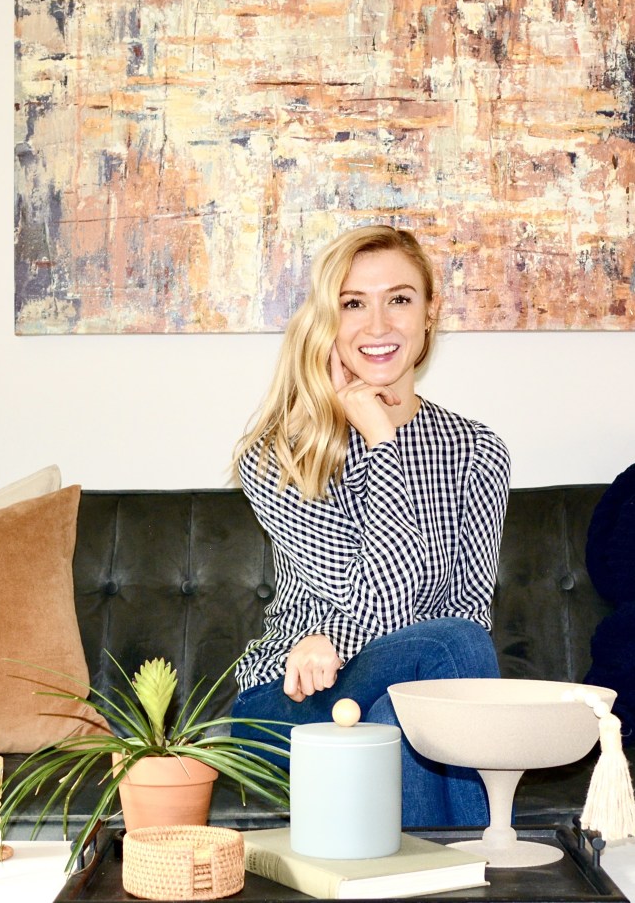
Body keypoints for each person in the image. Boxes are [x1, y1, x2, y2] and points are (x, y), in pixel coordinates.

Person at [230, 224, 511, 827]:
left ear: (430, 312)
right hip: (291, 700)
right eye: (354, 303)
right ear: (329, 320)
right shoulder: (283, 454)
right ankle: (491, 860)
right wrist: (384, 442)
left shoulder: (477, 449)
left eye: (399, 299)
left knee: (399, 712)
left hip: (402, 690)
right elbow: (384, 600)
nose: (377, 325)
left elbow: (469, 610)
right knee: (449, 645)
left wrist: (334, 635)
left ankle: (442, 872)